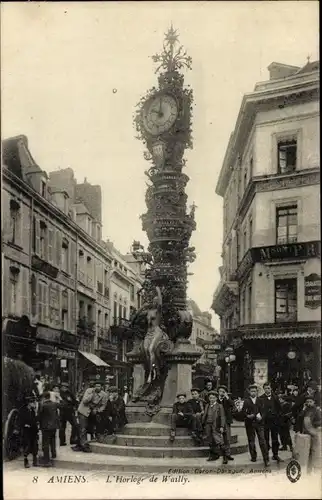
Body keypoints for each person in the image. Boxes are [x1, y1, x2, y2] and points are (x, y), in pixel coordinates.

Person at [73, 380, 108, 452]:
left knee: (89, 428)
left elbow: (103, 405)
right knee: (83, 428)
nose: (97, 387)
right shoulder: (89, 391)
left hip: (93, 412)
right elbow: (85, 401)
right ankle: (84, 446)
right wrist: (92, 394)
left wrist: (98, 410)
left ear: (102, 387)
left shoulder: (104, 395)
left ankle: (79, 444)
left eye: (99, 386)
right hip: (83, 411)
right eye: (96, 386)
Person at [243, 384, 269, 467]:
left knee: (262, 441)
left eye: (254, 391)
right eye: (251, 391)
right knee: (251, 441)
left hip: (259, 423)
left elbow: (264, 411)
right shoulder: (246, 401)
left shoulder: (260, 400)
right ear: (249, 392)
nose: (253, 392)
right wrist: (247, 416)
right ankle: (253, 456)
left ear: (257, 392)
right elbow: (243, 412)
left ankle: (266, 459)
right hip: (250, 424)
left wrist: (261, 417)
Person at [259, 382, 282, 462]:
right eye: (265, 388)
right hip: (265, 422)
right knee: (265, 439)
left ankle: (275, 455)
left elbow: (279, 408)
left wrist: (277, 417)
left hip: (274, 421)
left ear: (271, 388)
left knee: (275, 439)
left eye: (268, 388)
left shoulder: (275, 398)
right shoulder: (261, 398)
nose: (267, 390)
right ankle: (266, 456)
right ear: (263, 389)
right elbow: (259, 409)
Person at [202, 390, 227, 464]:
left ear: (216, 398)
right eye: (210, 398)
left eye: (213, 398)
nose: (212, 399)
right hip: (208, 425)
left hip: (216, 425)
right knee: (210, 441)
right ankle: (213, 455)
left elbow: (222, 417)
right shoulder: (207, 405)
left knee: (219, 440)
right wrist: (203, 423)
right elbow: (205, 415)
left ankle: (225, 457)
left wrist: (222, 426)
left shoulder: (219, 406)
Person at [38, 391, 59, 467]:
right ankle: (54, 454)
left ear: (44, 398)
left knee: (45, 443)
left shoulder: (43, 405)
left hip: (46, 427)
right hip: (53, 426)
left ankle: (46, 459)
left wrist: (39, 425)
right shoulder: (54, 404)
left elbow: (40, 416)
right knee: (53, 440)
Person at [302, 395, 321, 472]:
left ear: (314, 402)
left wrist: (313, 423)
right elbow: (300, 417)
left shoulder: (317, 410)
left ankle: (315, 469)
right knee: (307, 452)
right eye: (307, 402)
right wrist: (303, 409)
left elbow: (320, 421)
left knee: (314, 451)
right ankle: (308, 469)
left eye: (310, 402)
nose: (309, 403)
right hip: (306, 434)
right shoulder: (305, 410)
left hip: (313, 433)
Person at [20, 395, 39, 468]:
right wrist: (24, 424)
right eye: (32, 402)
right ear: (29, 403)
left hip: (33, 431)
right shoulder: (23, 411)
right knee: (27, 446)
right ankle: (26, 461)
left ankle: (35, 461)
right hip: (27, 431)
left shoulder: (33, 410)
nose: (34, 404)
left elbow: (34, 420)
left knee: (35, 445)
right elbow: (20, 420)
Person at [218, 385, 235, 461]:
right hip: (219, 422)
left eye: (223, 391)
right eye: (220, 391)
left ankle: (228, 454)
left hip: (227, 421)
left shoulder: (227, 399)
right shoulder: (216, 399)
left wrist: (227, 397)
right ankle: (224, 456)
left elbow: (232, 405)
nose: (221, 393)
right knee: (221, 439)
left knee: (227, 439)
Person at [59, 382, 79, 446]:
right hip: (62, 412)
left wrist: (72, 403)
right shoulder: (59, 394)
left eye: (66, 387)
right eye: (63, 387)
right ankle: (62, 441)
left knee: (75, 425)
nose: (64, 388)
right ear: (61, 387)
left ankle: (72, 439)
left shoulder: (70, 393)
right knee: (62, 427)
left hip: (70, 412)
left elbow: (75, 402)